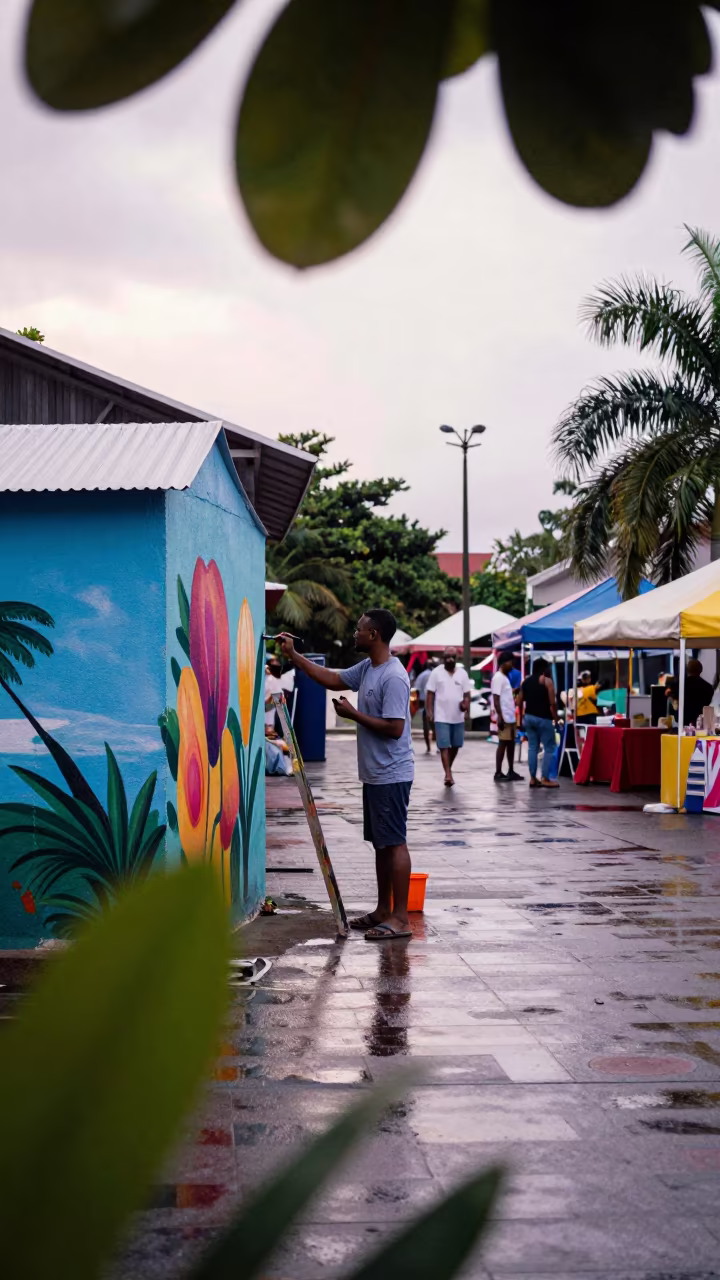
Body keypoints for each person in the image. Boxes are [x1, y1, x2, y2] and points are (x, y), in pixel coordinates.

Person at [279, 608, 414, 942]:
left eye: (360, 629)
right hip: (375, 773)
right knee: (381, 843)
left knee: (394, 843)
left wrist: (354, 715)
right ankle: (384, 910)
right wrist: (294, 656)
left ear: (375, 636)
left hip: (391, 773)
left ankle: (400, 918)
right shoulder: (369, 667)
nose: (355, 634)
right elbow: (333, 679)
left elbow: (396, 728)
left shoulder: (393, 676)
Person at [425, 647, 472, 787]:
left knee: (456, 745)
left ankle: (448, 768)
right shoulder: (436, 673)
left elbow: (467, 694)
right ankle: (448, 774)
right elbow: (430, 693)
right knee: (444, 745)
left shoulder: (462, 674)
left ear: (456, 658)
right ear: (443, 657)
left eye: (452, 656)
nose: (450, 659)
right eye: (447, 656)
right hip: (441, 716)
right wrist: (429, 711)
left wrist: (467, 708)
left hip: (457, 716)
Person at [519, 657, 559, 788]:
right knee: (549, 747)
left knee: (532, 747)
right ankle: (545, 778)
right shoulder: (547, 681)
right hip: (544, 718)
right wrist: (556, 719)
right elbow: (552, 703)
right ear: (544, 669)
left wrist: (520, 718)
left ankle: (532, 778)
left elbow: (519, 702)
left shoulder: (526, 682)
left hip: (529, 717)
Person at [491, 651, 522, 781]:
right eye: (510, 662)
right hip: (504, 716)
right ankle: (498, 772)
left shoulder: (505, 678)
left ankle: (510, 770)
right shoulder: (498, 677)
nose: (512, 665)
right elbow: (496, 698)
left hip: (510, 716)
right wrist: (500, 716)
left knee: (510, 744)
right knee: (503, 743)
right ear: (504, 663)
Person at [682, 657, 713, 727]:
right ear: (701, 670)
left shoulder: (680, 685)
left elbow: (669, 693)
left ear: (687, 670)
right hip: (701, 721)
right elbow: (707, 703)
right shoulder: (708, 687)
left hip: (683, 720)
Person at [414, 660, 434, 753]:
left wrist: (417, 703)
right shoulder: (435, 675)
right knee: (435, 725)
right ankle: (439, 746)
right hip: (435, 702)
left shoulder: (421, 675)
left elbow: (416, 690)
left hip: (423, 702)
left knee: (426, 725)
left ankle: (428, 747)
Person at [264, 656, 284, 732]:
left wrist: (267, 702)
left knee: (269, 729)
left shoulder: (275, 680)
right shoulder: (264, 677)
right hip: (264, 712)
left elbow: (276, 696)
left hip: (269, 715)